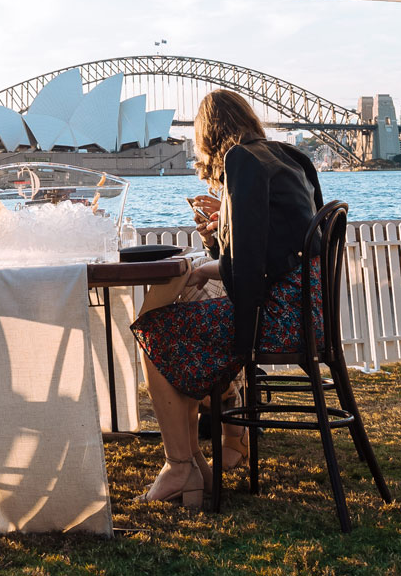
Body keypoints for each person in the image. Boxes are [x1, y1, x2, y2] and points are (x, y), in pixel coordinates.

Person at [131, 89, 323, 506]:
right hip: (308, 313)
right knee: (182, 325)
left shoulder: (241, 160)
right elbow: (274, 249)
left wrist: (214, 256)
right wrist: (222, 233)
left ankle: (180, 465)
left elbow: (250, 266)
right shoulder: (290, 157)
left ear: (208, 135)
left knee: (155, 332)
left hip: (275, 318)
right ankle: (196, 462)